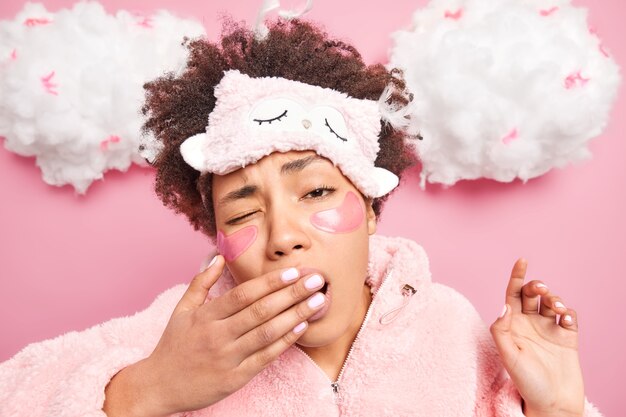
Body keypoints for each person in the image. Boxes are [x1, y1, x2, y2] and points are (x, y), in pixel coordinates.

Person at [0, 18, 603, 417]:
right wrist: (146, 390)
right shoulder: (171, 340)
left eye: (315, 193)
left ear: (369, 210)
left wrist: (561, 408)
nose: (284, 236)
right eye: (244, 207)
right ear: (217, 235)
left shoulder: (453, 331)